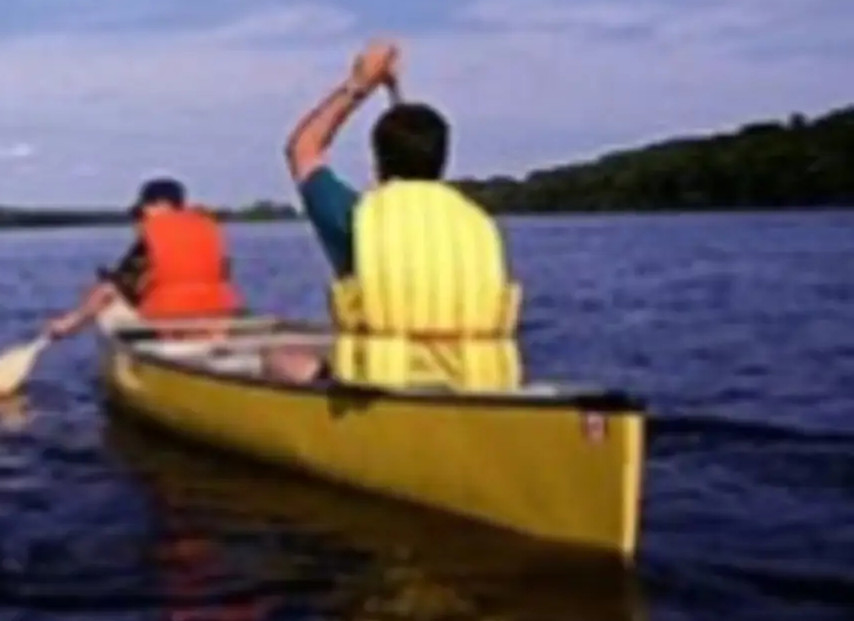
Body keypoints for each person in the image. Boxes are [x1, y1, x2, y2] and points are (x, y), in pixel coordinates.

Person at [275, 39, 523, 390]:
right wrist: (396, 94)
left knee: (281, 359)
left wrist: (360, 85)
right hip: (478, 386)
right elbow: (412, 152)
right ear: (442, 160)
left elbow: (303, 149)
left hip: (378, 387)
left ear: (377, 164)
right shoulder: (475, 223)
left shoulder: (359, 219)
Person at [43, 177, 244, 341]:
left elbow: (108, 291)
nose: (142, 216)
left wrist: (67, 324)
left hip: (170, 326)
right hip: (217, 321)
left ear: (160, 204)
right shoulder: (209, 229)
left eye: (144, 209)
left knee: (100, 295)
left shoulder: (153, 237)